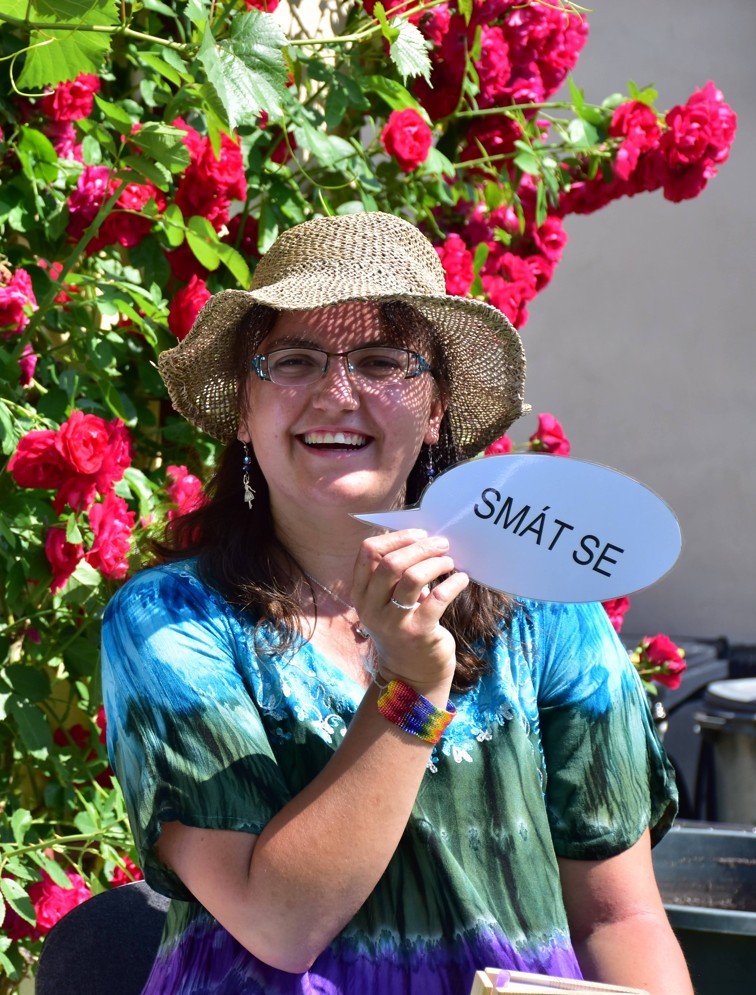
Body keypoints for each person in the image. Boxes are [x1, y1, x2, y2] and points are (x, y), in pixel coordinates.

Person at [101, 212, 690, 994]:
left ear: (436, 407)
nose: (336, 394)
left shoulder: (545, 610)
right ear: (245, 407)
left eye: (381, 361)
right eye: (295, 360)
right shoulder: (172, 621)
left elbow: (618, 919)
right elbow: (279, 923)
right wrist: (409, 687)